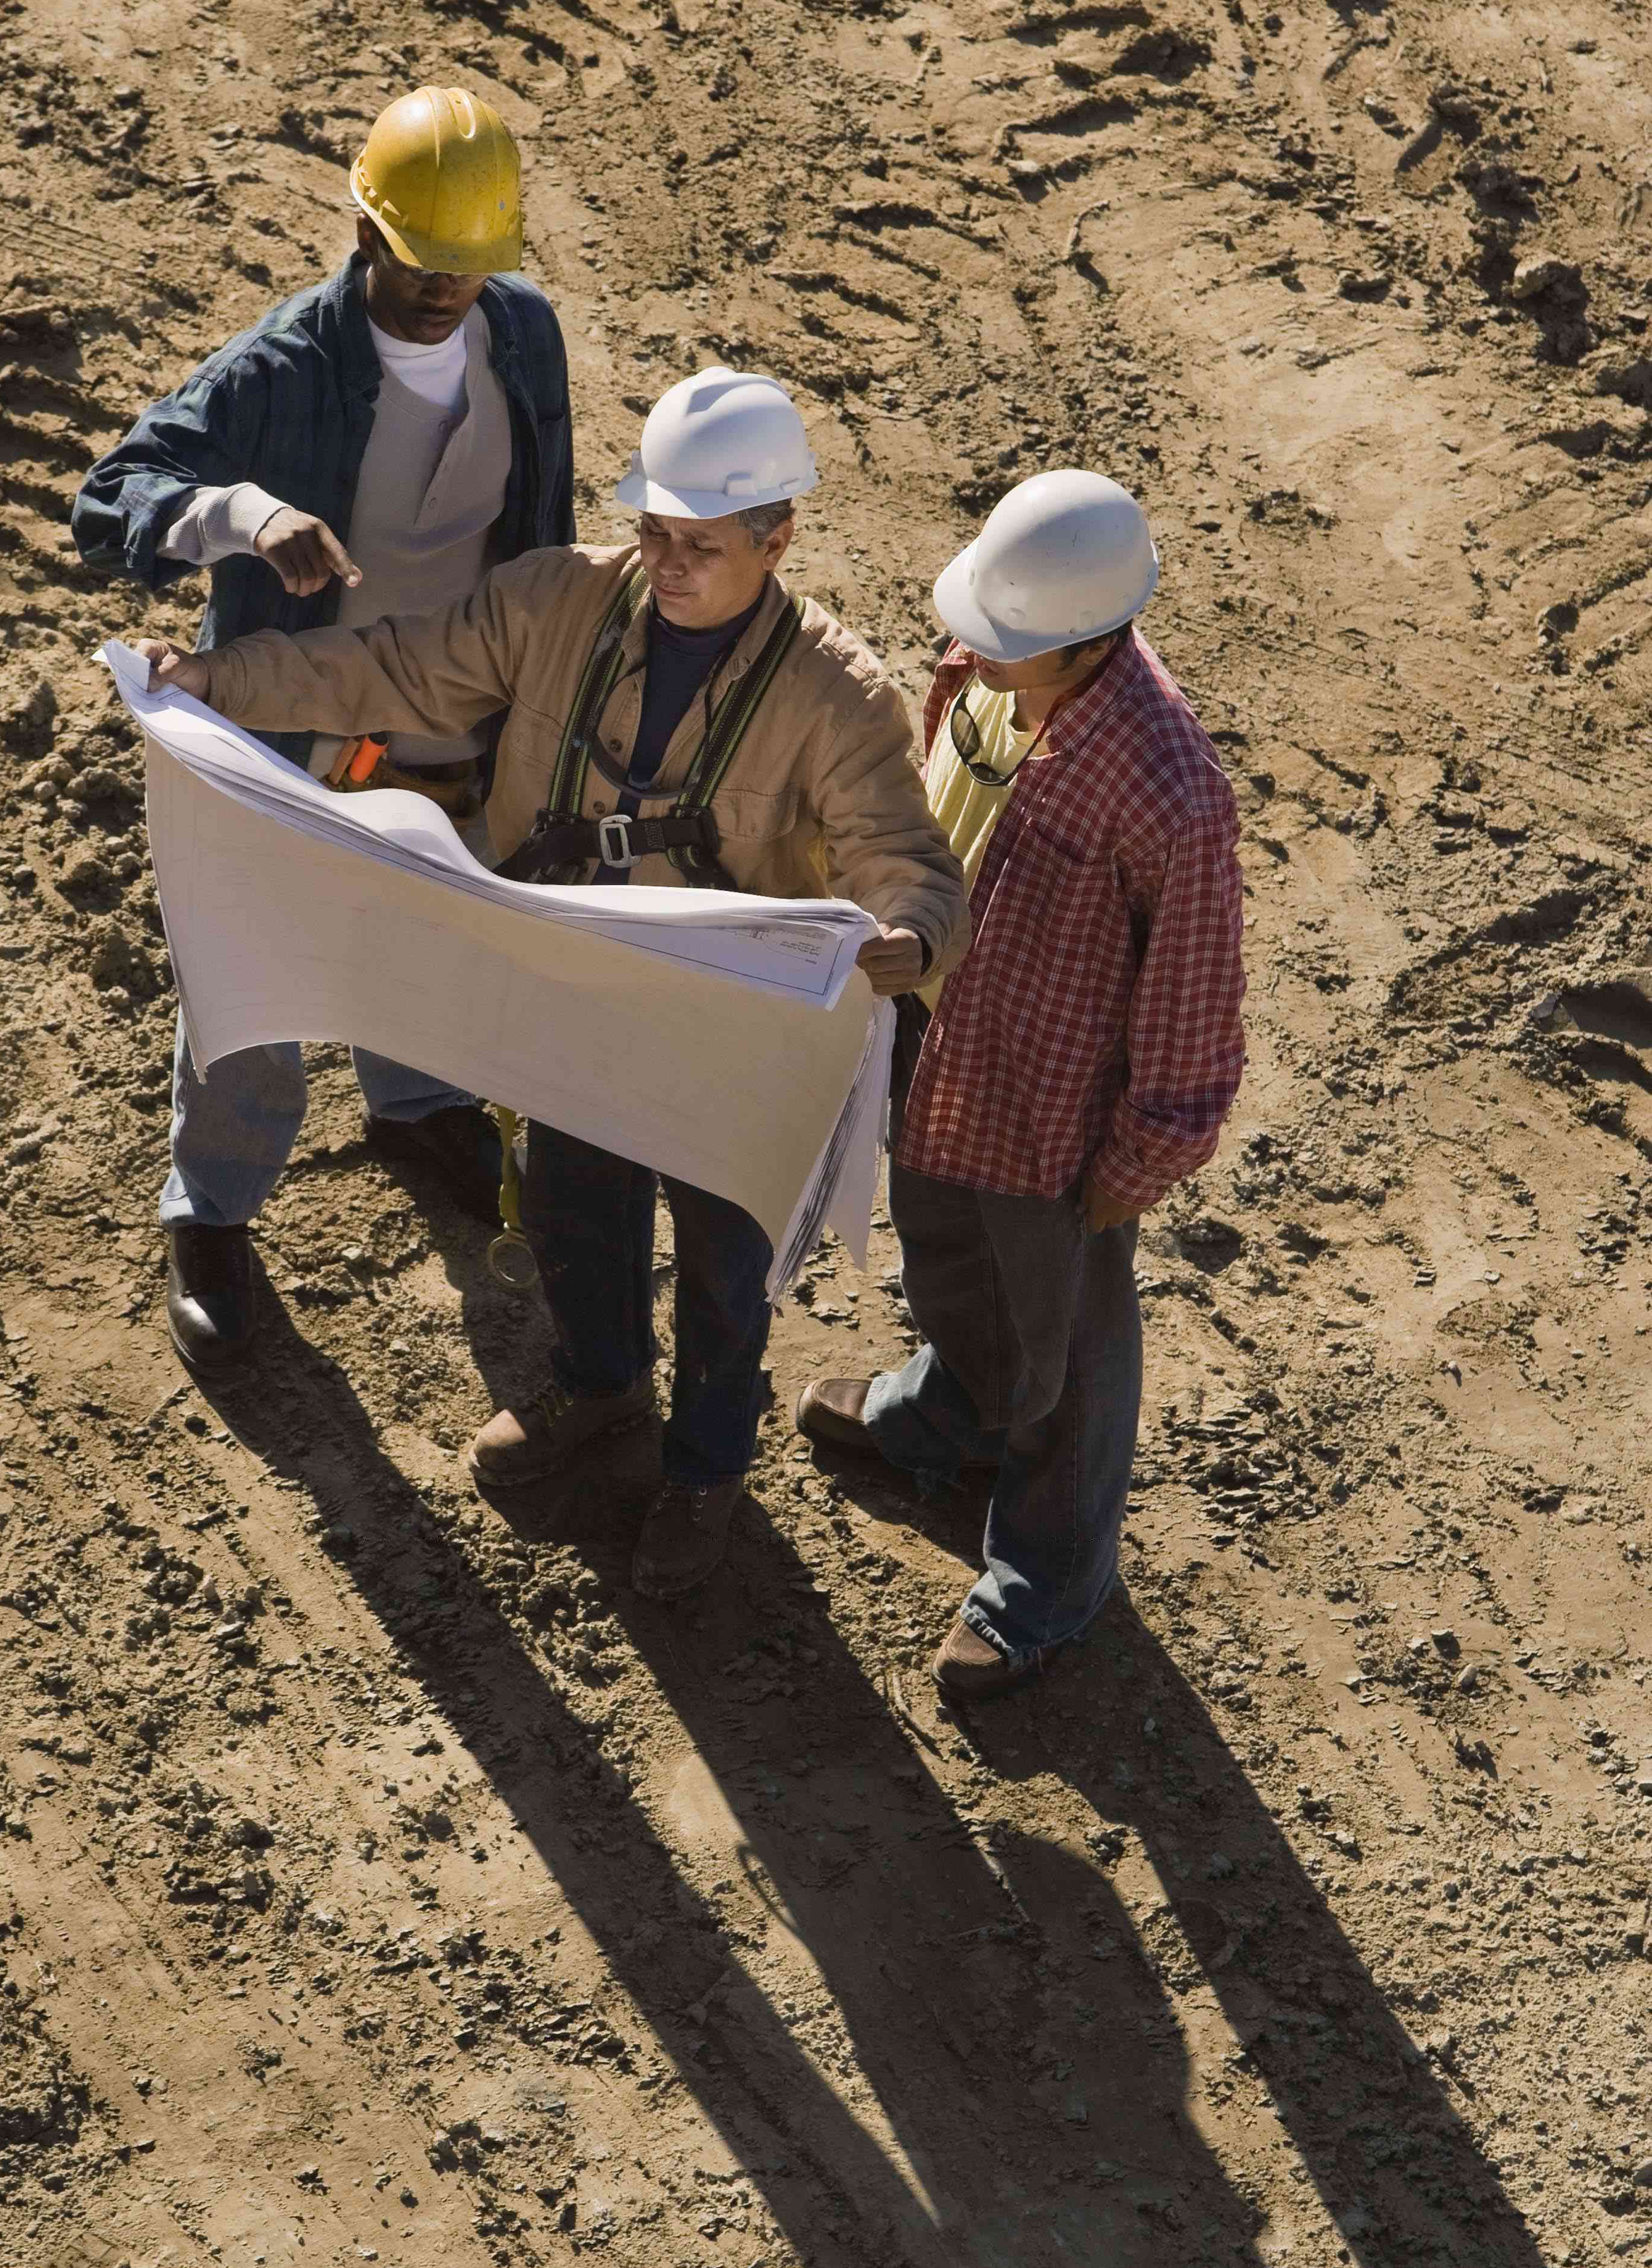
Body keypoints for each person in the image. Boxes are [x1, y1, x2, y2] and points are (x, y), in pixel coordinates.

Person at [131, 368, 968, 1599]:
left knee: (727, 1261)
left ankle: (703, 1471)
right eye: (655, 534)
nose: (668, 564)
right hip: (571, 989)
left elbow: (904, 859)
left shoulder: (834, 699)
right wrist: (220, 682)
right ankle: (599, 1388)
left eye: (702, 544)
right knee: (569, 1193)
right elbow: (387, 670)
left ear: (776, 537)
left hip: (722, 1029)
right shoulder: (554, 603)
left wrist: (906, 940)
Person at [72, 83, 573, 1376]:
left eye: (464, 271)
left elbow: (541, 532)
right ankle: (214, 1210)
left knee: (425, 905)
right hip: (292, 721)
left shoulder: (521, 334)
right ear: (362, 229)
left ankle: (414, 1105)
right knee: (255, 961)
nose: (439, 293)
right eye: (417, 264)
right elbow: (110, 496)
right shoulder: (284, 365)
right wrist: (239, 517)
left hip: (447, 707)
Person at [794, 468, 1246, 1701]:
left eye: (1008, 643)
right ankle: (945, 1417)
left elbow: (1194, 1008)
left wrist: (1135, 1162)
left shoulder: (1168, 792)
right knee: (943, 1258)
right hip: (938, 1049)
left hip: (1055, 1125)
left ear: (1093, 638)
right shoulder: (999, 666)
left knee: (1069, 1358)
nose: (975, 652)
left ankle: (1046, 1579)